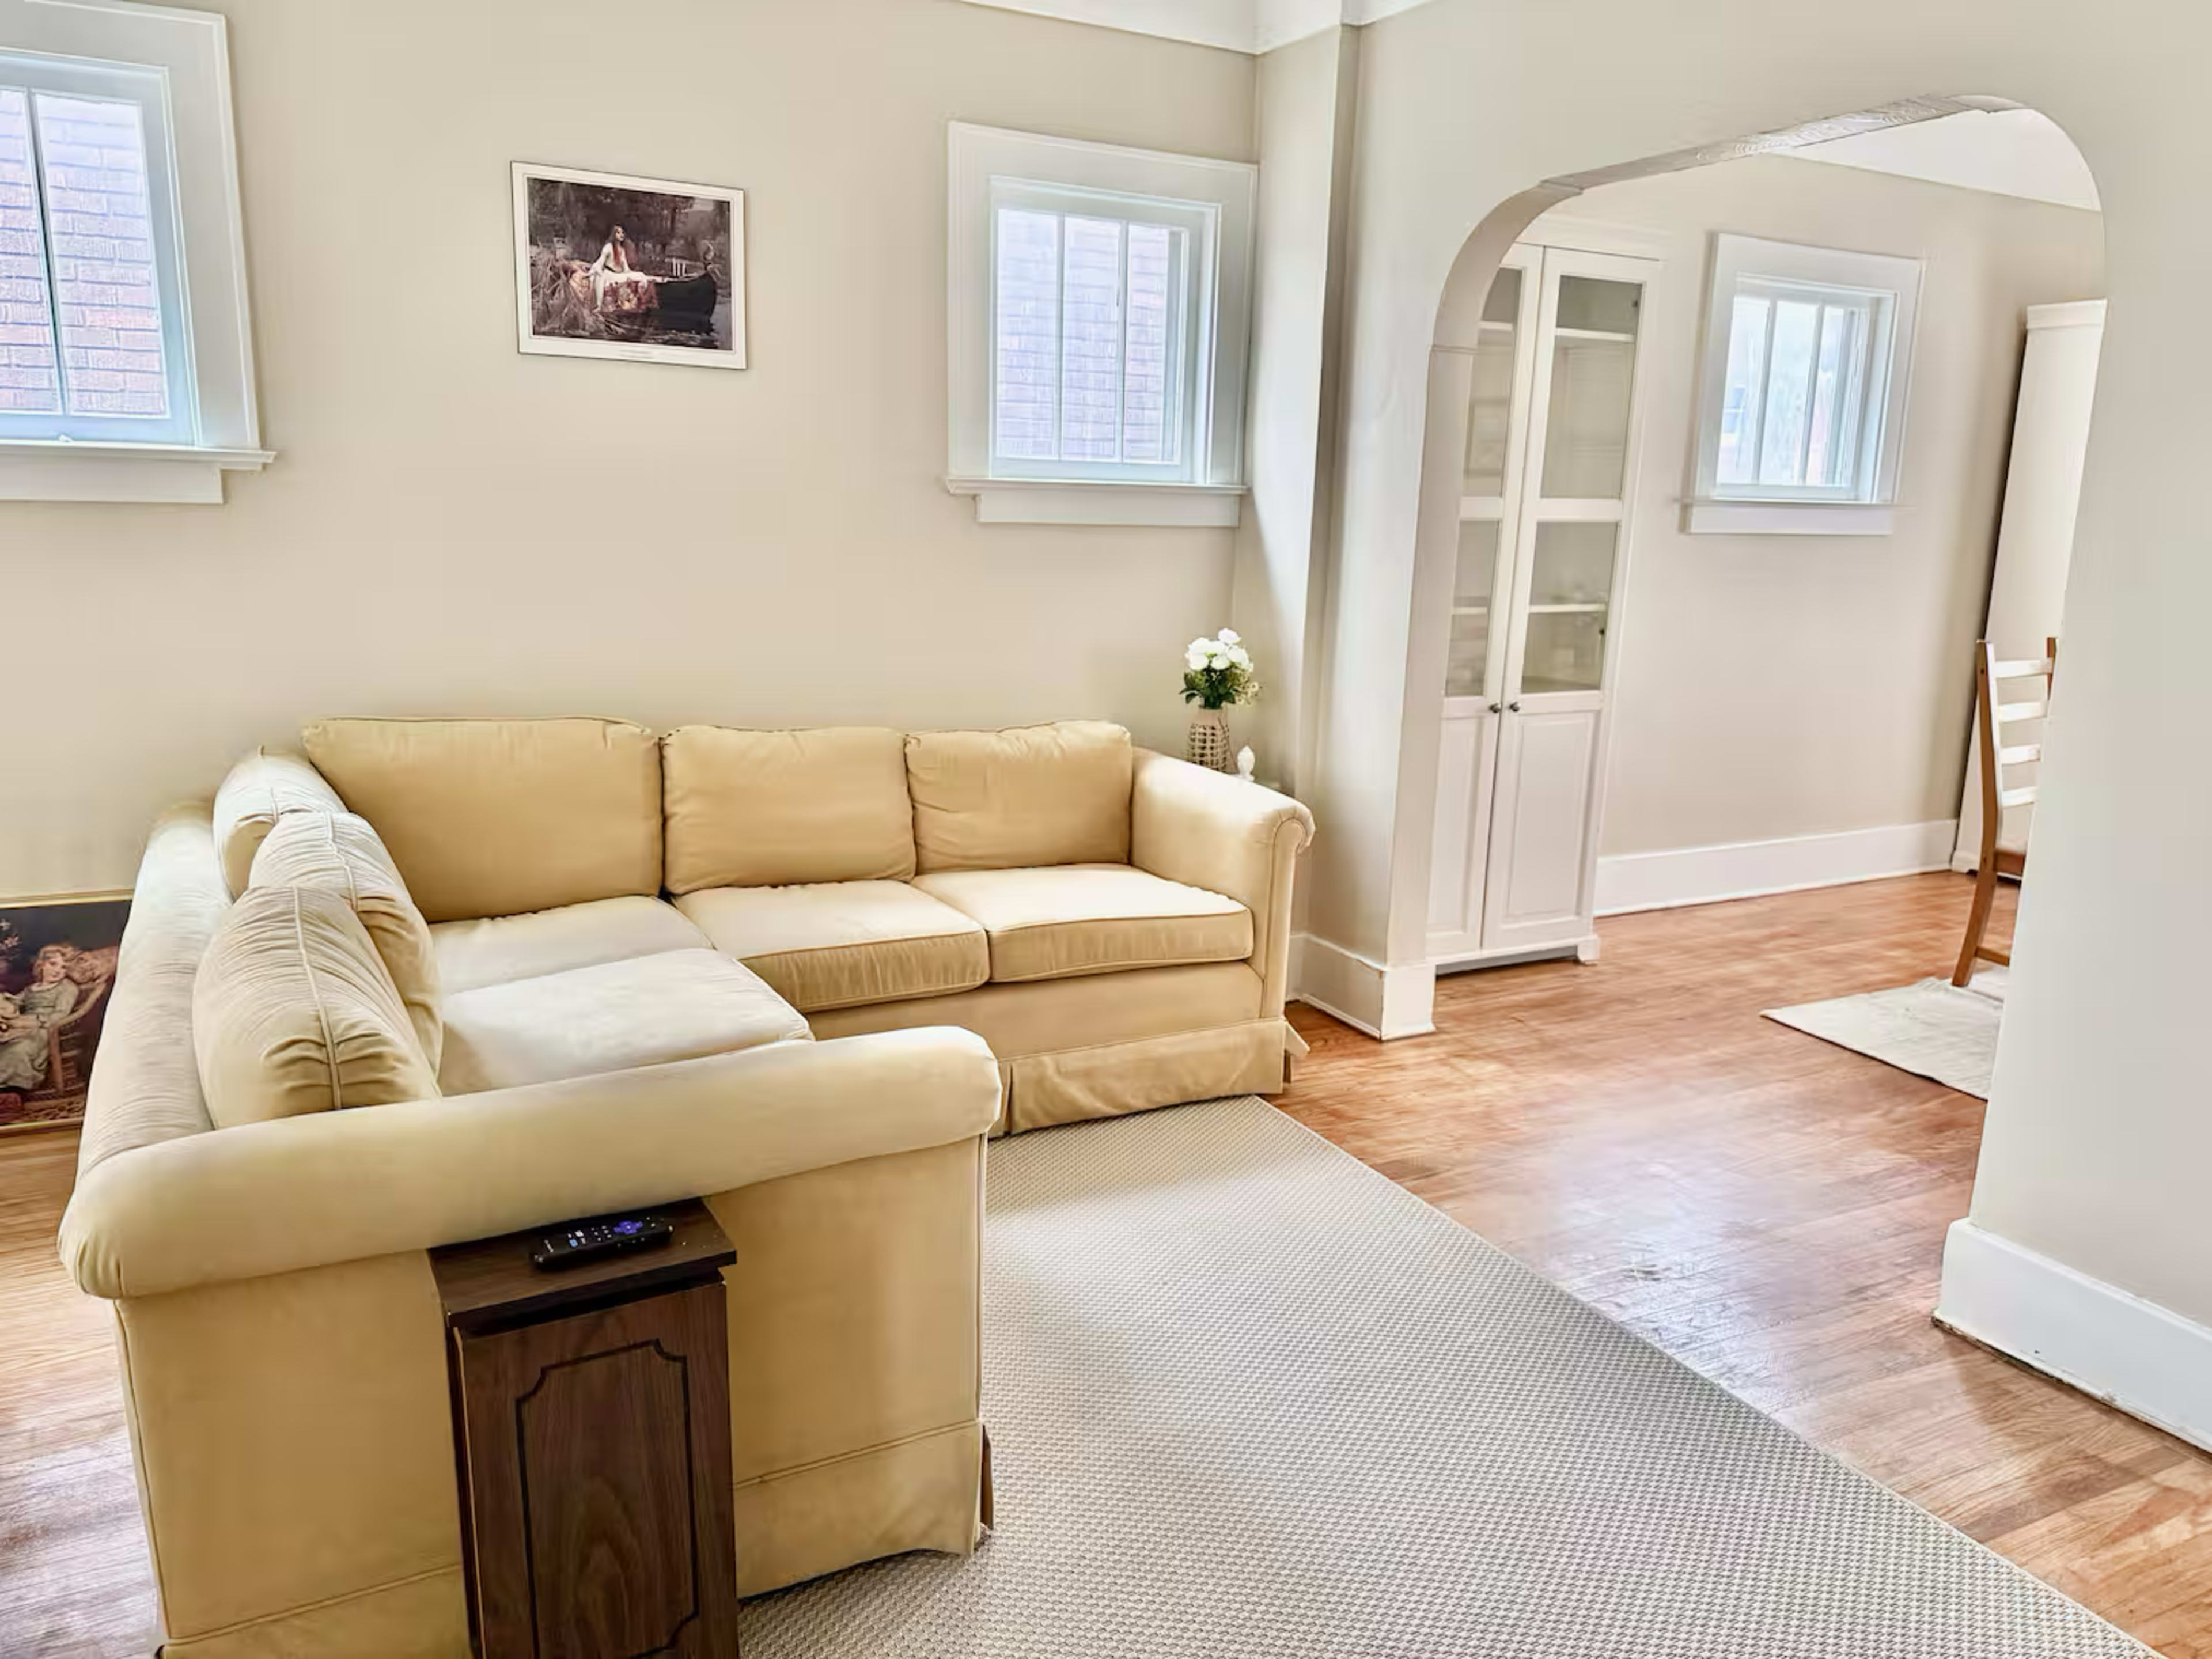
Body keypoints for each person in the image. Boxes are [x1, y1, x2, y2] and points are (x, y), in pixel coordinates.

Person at [0, 944, 79, 1094]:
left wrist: (34, 1021)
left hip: (45, 1028)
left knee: (18, 1050)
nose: (58, 971)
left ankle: (14, 1091)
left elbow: (61, 1015)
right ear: (41, 964)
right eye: (53, 964)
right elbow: (17, 1002)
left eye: (64, 968)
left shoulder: (67, 987)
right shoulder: (32, 988)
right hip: (20, 1024)